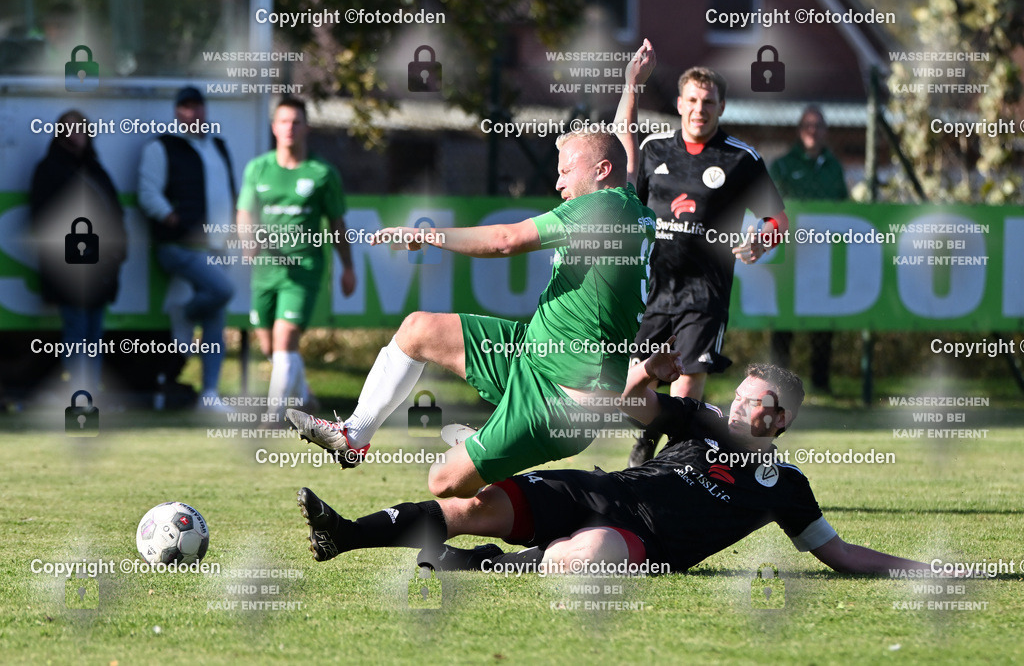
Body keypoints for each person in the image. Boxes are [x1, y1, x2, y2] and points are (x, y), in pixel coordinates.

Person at [293, 356, 931, 577]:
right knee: (471, 507)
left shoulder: (786, 487)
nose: (737, 405)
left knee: (589, 555)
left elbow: (841, 555)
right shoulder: (699, 420)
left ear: (781, 420)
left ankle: (490, 564)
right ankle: (345, 533)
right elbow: (638, 409)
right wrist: (645, 378)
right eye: (739, 393)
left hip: (643, 542)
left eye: (754, 402)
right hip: (596, 490)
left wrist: (934, 571)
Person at [288, 128, 657, 499]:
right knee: (418, 330)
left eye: (566, 171)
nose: (558, 181)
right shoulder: (627, 204)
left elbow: (504, 241)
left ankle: (547, 486)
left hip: (561, 401)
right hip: (530, 356)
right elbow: (621, 144)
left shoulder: (601, 207)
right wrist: (631, 86)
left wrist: (428, 235)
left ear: (602, 170)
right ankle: (353, 436)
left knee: (443, 480)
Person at [616, 42, 790, 467]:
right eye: (692, 100)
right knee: (635, 379)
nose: (699, 109)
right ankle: (647, 440)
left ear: (722, 106)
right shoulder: (655, 149)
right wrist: (631, 85)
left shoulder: (740, 159)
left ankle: (669, 466)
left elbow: (778, 221)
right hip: (652, 287)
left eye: (708, 102)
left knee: (689, 376)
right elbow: (624, 155)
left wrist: (760, 241)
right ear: (679, 103)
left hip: (705, 291)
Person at [236, 97, 357, 426]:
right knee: (269, 346)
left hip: (302, 270)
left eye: (296, 121)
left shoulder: (321, 173)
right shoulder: (258, 168)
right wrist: (248, 239)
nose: (290, 127)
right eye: (284, 121)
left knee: (285, 337)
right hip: (265, 271)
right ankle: (304, 394)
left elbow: (336, 224)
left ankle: (274, 416)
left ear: (307, 127)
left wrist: (348, 267)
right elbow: (245, 212)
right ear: (274, 127)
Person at [137, 86, 235, 410]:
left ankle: (209, 393)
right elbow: (147, 192)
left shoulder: (217, 145)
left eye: (198, 106)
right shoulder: (162, 146)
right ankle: (184, 312)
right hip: (177, 245)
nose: (194, 113)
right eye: (186, 107)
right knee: (222, 291)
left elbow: (228, 193)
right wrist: (171, 217)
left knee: (216, 321)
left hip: (216, 246)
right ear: (176, 112)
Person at [30, 109, 127, 392]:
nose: (77, 135)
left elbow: (115, 212)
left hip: (101, 268)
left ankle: (90, 391)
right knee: (76, 333)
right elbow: (43, 219)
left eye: (81, 129)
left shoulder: (96, 170)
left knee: (94, 334)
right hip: (69, 269)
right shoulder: (50, 169)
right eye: (70, 130)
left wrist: (117, 252)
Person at [768, 106, 848, 393]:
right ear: (800, 130)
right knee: (783, 323)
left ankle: (821, 385)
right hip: (790, 256)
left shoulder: (835, 167)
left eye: (818, 125)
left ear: (826, 131)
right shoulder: (783, 165)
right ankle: (775, 385)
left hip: (823, 258)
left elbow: (843, 208)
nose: (813, 131)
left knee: (823, 320)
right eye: (807, 125)